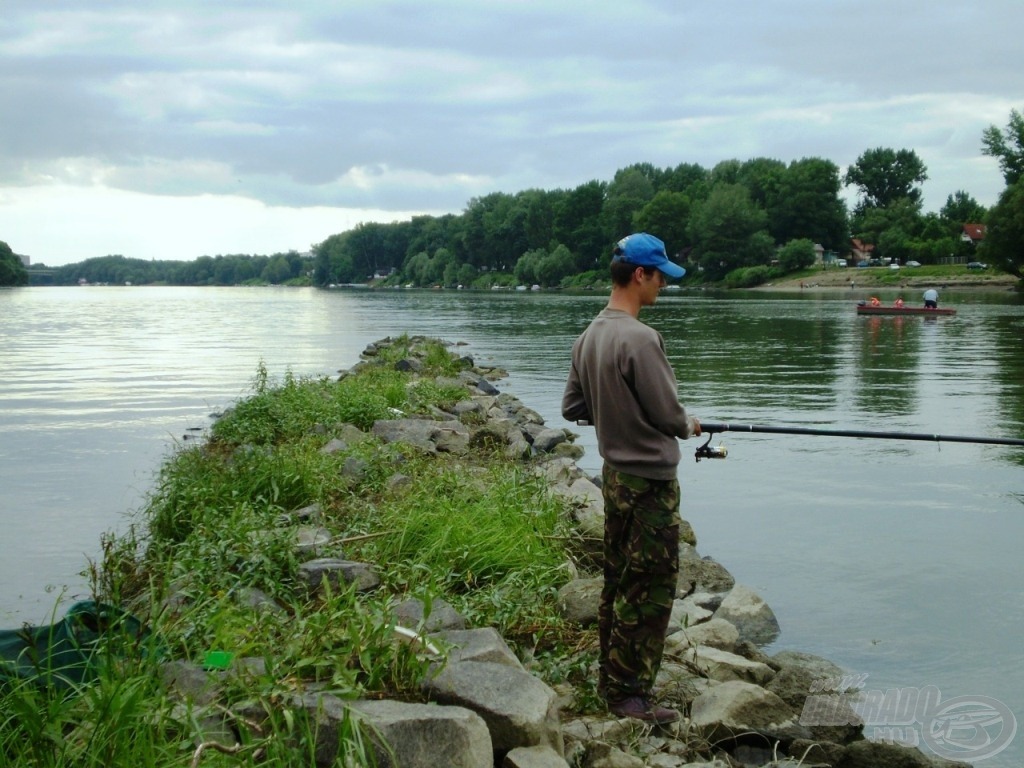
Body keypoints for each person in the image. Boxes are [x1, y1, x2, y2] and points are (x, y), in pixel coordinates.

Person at [561, 232, 701, 725]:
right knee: (651, 587)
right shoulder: (640, 338)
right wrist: (690, 424)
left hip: (614, 477)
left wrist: (614, 412)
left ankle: (610, 678)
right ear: (639, 274)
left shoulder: (589, 335)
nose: (663, 284)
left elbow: (573, 407)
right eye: (660, 275)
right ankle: (629, 698)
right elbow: (669, 415)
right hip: (649, 484)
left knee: (619, 581)